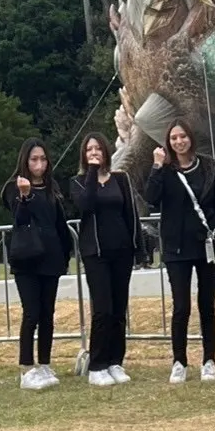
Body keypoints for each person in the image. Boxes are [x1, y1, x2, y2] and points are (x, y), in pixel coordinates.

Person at [144, 120, 215, 385]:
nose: (179, 142)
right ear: (169, 142)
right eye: (174, 138)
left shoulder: (208, 166)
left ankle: (209, 359)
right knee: (181, 306)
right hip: (176, 248)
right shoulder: (165, 171)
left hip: (205, 243)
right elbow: (151, 197)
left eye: (183, 136)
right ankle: (179, 361)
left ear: (191, 138)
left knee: (206, 304)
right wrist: (156, 165)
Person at [71, 133, 145, 387]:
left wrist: (138, 247)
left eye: (98, 149)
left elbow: (131, 214)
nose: (94, 152)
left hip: (121, 250)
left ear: (106, 152)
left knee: (118, 309)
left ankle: (115, 361)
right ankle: (97, 364)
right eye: (89, 149)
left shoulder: (120, 179)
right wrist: (92, 172)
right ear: (84, 154)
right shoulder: (79, 182)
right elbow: (86, 205)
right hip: (96, 254)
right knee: (102, 309)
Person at [1, 138, 73, 391]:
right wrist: (26, 195)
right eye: (34, 159)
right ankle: (26, 367)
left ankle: (44, 363)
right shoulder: (15, 187)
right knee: (31, 313)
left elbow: (58, 222)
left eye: (43, 159)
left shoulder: (52, 188)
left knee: (47, 314)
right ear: (25, 161)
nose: (39, 164)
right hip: (27, 259)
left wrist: (66, 254)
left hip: (51, 258)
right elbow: (22, 218)